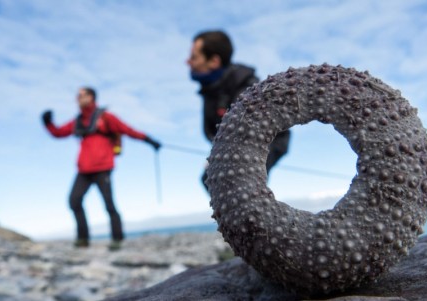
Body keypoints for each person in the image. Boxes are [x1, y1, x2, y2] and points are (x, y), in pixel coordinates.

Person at [41, 87, 161, 250]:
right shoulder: (77, 121)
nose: (78, 98)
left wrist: (148, 140)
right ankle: (83, 239)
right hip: (83, 169)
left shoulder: (106, 117)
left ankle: (117, 239)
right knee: (74, 200)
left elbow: (127, 129)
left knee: (108, 204)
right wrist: (48, 123)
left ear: (92, 97)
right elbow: (58, 133)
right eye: (78, 95)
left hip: (103, 167)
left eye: (82, 95)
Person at [187, 30, 291, 189]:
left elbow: (246, 136)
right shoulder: (210, 89)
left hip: (267, 142)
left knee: (241, 184)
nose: (188, 62)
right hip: (231, 148)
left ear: (214, 61)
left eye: (194, 57)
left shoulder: (245, 87)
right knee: (209, 180)